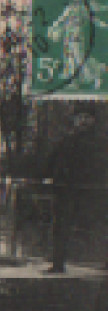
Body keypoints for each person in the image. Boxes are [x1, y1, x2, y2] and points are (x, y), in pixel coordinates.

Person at [46, 106, 105, 273]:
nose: (83, 121)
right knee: (61, 226)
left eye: (87, 117)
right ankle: (58, 265)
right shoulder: (67, 141)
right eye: (80, 117)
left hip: (94, 192)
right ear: (75, 120)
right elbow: (52, 161)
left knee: (101, 226)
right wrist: (51, 177)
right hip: (67, 191)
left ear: (94, 121)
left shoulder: (100, 142)